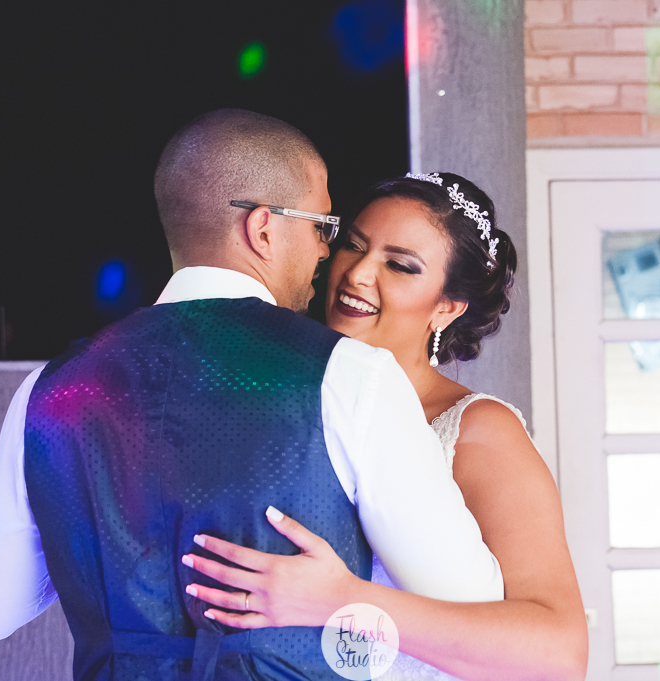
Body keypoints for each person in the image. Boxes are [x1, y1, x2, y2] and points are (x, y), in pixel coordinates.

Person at [0, 113, 507, 681]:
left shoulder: (52, 388)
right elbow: (472, 604)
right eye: (321, 227)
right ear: (263, 229)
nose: (322, 254)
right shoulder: (351, 374)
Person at [178, 172, 589, 680]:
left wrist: (342, 600)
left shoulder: (479, 430)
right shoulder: (284, 397)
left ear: (447, 307)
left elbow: (559, 656)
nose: (357, 274)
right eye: (352, 245)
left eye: (399, 265)